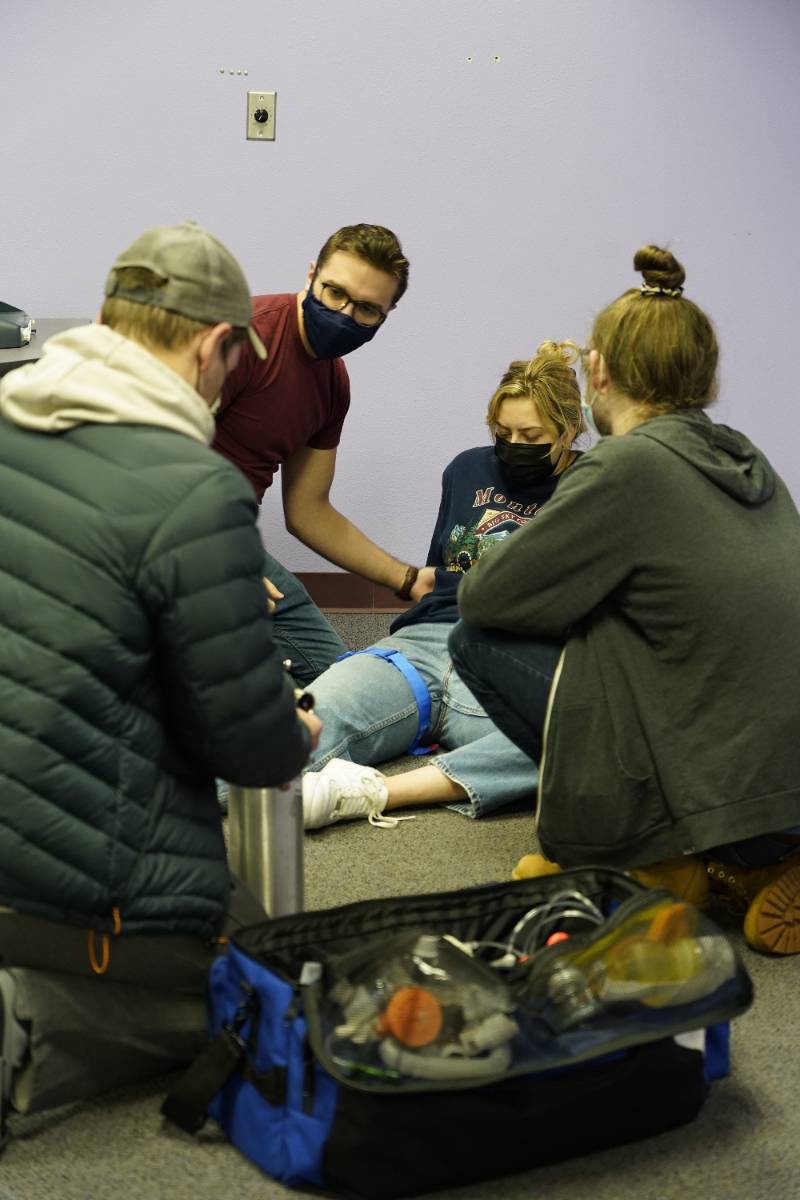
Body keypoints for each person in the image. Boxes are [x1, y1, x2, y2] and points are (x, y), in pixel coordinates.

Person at [0, 219, 321, 1122]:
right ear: (215, 346)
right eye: (232, 365)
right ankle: (30, 1015)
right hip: (63, 880)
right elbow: (250, 747)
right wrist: (289, 728)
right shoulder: (194, 487)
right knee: (266, 980)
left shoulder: (8, 417)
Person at [449, 245, 800, 956]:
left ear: (599, 370)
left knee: (476, 643)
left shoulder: (626, 465)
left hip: (708, 783)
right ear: (703, 375)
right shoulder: (744, 456)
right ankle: (761, 861)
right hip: (780, 779)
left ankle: (648, 851)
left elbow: (487, 599)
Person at [298, 342, 583, 829]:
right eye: (503, 432)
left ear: (569, 429)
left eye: (531, 435)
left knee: (574, 745)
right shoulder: (466, 469)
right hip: (425, 645)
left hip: (517, 658)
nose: (514, 444)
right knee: (292, 735)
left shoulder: (595, 487)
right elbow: (442, 569)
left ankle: (372, 791)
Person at [213, 223, 434, 687]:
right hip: (156, 532)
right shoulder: (242, 337)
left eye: (367, 309)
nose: (344, 314)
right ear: (312, 274)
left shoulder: (333, 385)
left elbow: (309, 510)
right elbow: (150, 463)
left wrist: (408, 579)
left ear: (388, 313)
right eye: (334, 292)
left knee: (339, 682)